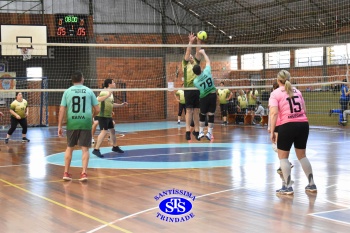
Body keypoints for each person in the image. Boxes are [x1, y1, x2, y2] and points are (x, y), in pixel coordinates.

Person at [269, 70, 317, 195]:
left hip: (287, 125)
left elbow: (274, 113)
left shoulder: (275, 93)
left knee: (283, 157)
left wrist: (272, 131)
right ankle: (311, 184)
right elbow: (304, 110)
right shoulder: (298, 91)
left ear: (278, 80)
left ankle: (288, 187)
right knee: (302, 156)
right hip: (303, 124)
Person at [58, 71, 100, 181]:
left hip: (72, 123)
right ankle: (84, 174)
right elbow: (98, 109)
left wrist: (59, 126)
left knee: (69, 148)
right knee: (85, 149)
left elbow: (62, 109)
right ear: (82, 79)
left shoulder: (67, 92)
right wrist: (92, 116)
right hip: (85, 123)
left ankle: (66, 173)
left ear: (72, 80)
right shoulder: (89, 91)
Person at [92, 79, 128, 158]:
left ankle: (115, 147)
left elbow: (112, 104)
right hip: (103, 115)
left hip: (108, 116)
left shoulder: (110, 93)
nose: (114, 83)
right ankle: (96, 149)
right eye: (113, 82)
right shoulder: (104, 92)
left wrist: (121, 105)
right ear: (109, 84)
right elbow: (98, 99)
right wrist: (107, 95)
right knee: (104, 131)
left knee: (112, 130)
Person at [193, 49, 216, 141]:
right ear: (201, 69)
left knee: (202, 114)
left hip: (204, 98)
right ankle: (209, 133)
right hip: (213, 95)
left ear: (195, 73)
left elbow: (199, 80)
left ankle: (201, 132)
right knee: (211, 115)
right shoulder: (207, 71)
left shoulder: (195, 81)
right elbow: (208, 61)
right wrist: (203, 52)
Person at [183, 32, 201, 141]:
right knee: (189, 110)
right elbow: (188, 52)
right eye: (188, 56)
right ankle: (187, 131)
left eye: (191, 56)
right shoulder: (185, 64)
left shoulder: (196, 63)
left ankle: (197, 131)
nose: (190, 56)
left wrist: (198, 41)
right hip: (188, 89)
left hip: (197, 89)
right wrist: (190, 42)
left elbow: (198, 52)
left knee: (196, 111)